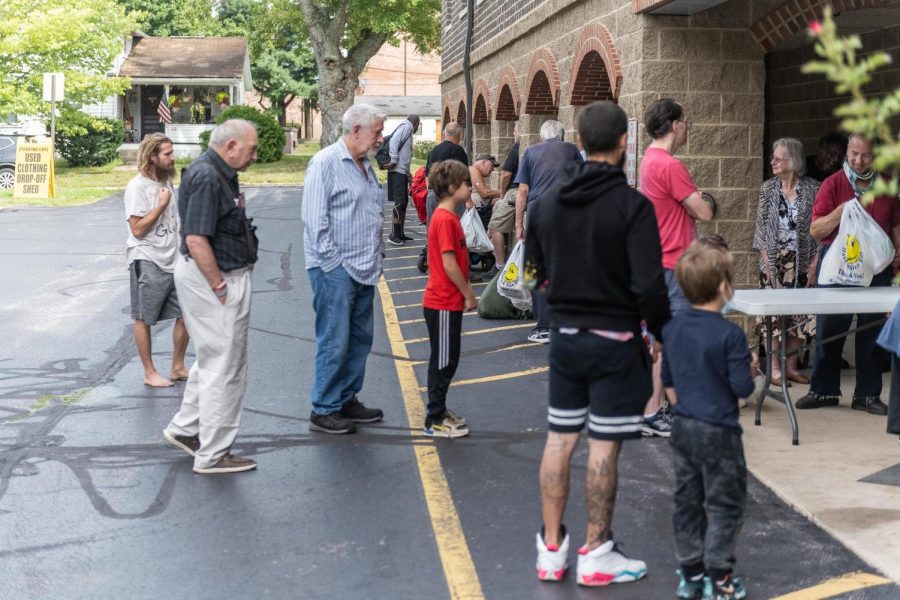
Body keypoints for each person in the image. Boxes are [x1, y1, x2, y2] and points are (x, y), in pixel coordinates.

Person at [526, 101, 670, 586]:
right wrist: (658, 336)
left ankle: (551, 550)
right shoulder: (633, 207)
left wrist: (558, 300)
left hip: (565, 339)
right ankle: (596, 551)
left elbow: (530, 273)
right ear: (624, 143)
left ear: (580, 144)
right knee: (604, 446)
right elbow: (650, 286)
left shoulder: (546, 204)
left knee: (560, 439)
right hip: (615, 343)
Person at [162, 119, 259, 474]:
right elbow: (196, 239)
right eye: (251, 149)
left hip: (215, 277)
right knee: (225, 368)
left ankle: (186, 430)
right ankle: (214, 454)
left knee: (213, 358)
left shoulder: (218, 171)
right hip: (213, 280)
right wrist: (219, 285)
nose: (255, 156)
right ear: (231, 145)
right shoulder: (206, 176)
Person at [662, 241, 754, 600]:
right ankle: (721, 576)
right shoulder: (731, 335)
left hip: (683, 427)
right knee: (725, 503)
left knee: (687, 499)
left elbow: (669, 382)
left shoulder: (672, 330)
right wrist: (747, 367)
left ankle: (691, 572)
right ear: (723, 288)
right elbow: (742, 389)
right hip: (720, 431)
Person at [796, 133, 900, 415]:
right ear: (847, 153)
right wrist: (841, 212)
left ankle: (867, 396)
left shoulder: (887, 185)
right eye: (854, 153)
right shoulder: (833, 184)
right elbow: (816, 229)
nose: (858, 160)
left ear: (874, 157)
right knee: (829, 332)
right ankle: (824, 391)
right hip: (837, 267)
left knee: (871, 333)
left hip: (877, 270)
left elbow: (895, 229)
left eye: (865, 155)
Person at [302, 104, 387, 434]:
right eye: (376, 132)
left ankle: (346, 398)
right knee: (335, 340)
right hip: (334, 269)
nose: (380, 138)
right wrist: (333, 264)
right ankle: (323, 407)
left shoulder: (366, 166)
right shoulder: (325, 163)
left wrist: (376, 258)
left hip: (364, 267)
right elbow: (314, 220)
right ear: (356, 130)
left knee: (360, 339)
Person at [638, 98, 713, 435]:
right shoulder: (670, 165)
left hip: (661, 259)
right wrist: (703, 198)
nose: (687, 127)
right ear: (674, 124)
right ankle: (659, 411)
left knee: (661, 338)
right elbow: (705, 211)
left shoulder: (649, 160)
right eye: (685, 121)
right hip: (675, 262)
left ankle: (653, 409)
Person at [752, 138, 820, 386]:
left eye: (778, 158)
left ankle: (791, 367)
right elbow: (760, 229)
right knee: (773, 316)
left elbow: (821, 230)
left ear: (793, 161)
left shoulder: (814, 188)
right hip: (774, 262)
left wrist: (815, 262)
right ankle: (774, 369)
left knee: (800, 316)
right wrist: (766, 262)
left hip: (802, 260)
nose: (773, 162)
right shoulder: (767, 188)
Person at [124, 133, 189, 388]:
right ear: (153, 157)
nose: (173, 158)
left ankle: (177, 366)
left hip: (174, 258)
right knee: (144, 318)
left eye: (172, 153)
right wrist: (161, 205)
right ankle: (149, 372)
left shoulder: (166, 182)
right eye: (167, 154)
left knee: (187, 313)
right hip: (147, 258)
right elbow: (137, 230)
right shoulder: (137, 187)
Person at [514, 119, 583, 344]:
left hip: (538, 214)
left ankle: (543, 326)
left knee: (535, 268)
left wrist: (518, 224)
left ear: (542, 137)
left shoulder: (530, 152)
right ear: (561, 136)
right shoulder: (572, 151)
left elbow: (523, 191)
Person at [422, 160, 477, 438]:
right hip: (442, 302)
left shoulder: (451, 217)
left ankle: (439, 409)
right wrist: (468, 293)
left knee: (448, 358)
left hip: (447, 303)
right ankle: (434, 418)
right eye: (467, 183)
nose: (471, 187)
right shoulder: (444, 220)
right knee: (443, 361)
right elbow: (449, 264)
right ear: (453, 187)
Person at [488, 123, 520, 268]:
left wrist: (502, 194)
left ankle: (500, 265)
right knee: (495, 205)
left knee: (495, 227)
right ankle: (487, 247)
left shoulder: (516, 148)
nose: (513, 134)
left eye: (514, 131)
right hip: (525, 192)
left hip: (515, 192)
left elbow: (506, 175)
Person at [385, 114, 420, 246]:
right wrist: (393, 160)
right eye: (418, 124)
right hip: (397, 171)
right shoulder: (406, 127)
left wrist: (408, 173)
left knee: (403, 203)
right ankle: (393, 235)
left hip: (402, 172)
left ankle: (400, 233)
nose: (417, 128)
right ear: (415, 123)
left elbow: (404, 155)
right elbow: (394, 141)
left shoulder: (407, 128)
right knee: (399, 203)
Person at [425, 123, 470, 223]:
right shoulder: (458, 150)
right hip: (451, 196)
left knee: (434, 228)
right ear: (459, 135)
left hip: (433, 194)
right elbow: (464, 176)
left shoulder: (434, 150)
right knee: (454, 228)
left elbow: (427, 174)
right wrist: (468, 200)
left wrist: (431, 191)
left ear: (445, 133)